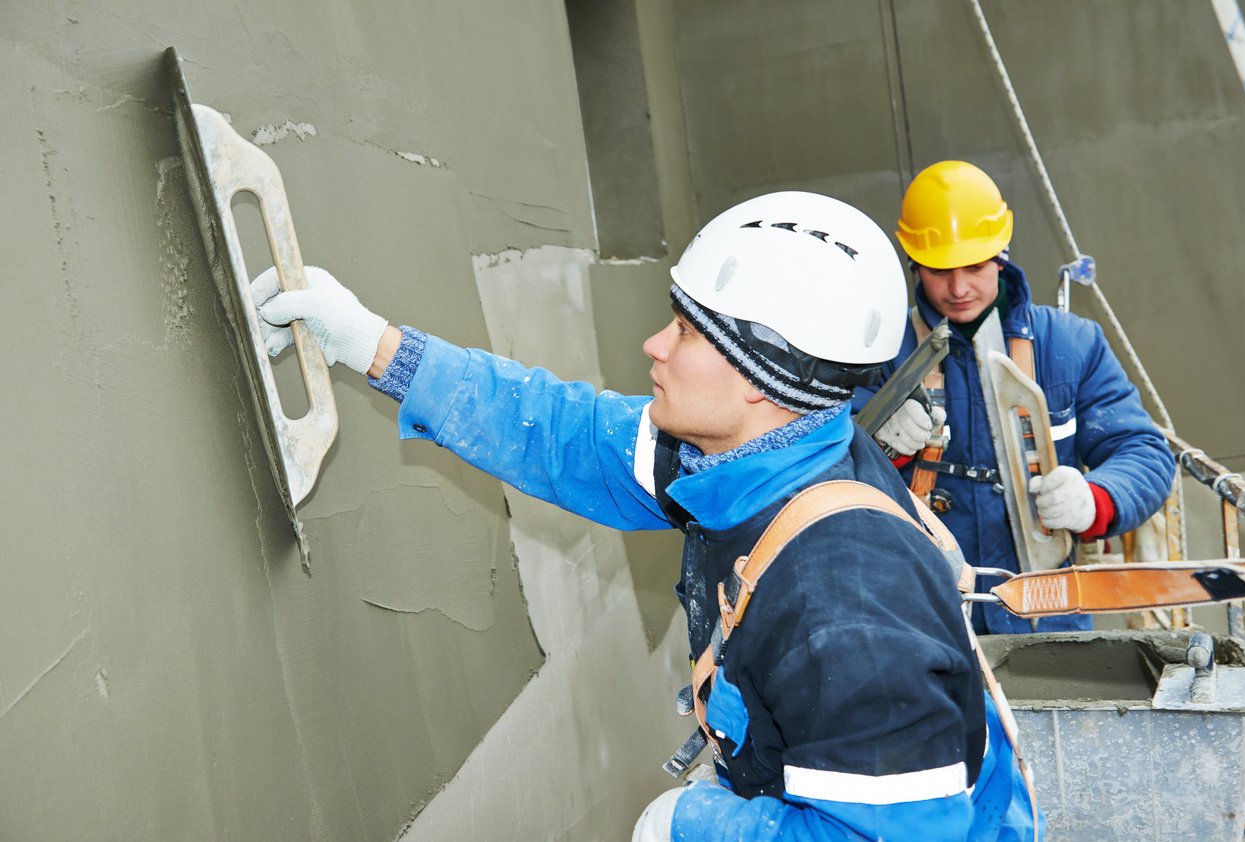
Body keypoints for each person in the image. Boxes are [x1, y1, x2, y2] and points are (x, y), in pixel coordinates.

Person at [252, 192, 1038, 839]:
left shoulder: (845, 600)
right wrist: (373, 345)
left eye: (688, 332)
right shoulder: (744, 459)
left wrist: (694, 824)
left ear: (762, 379)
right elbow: (559, 432)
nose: (654, 344)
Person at [864, 160, 1176, 635]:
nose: (959, 287)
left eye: (974, 265)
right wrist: (876, 443)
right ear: (915, 263)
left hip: (1045, 614)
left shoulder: (1071, 346)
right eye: (940, 270)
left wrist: (1095, 501)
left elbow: (1142, 451)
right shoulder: (881, 352)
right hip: (920, 616)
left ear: (1001, 255)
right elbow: (820, 462)